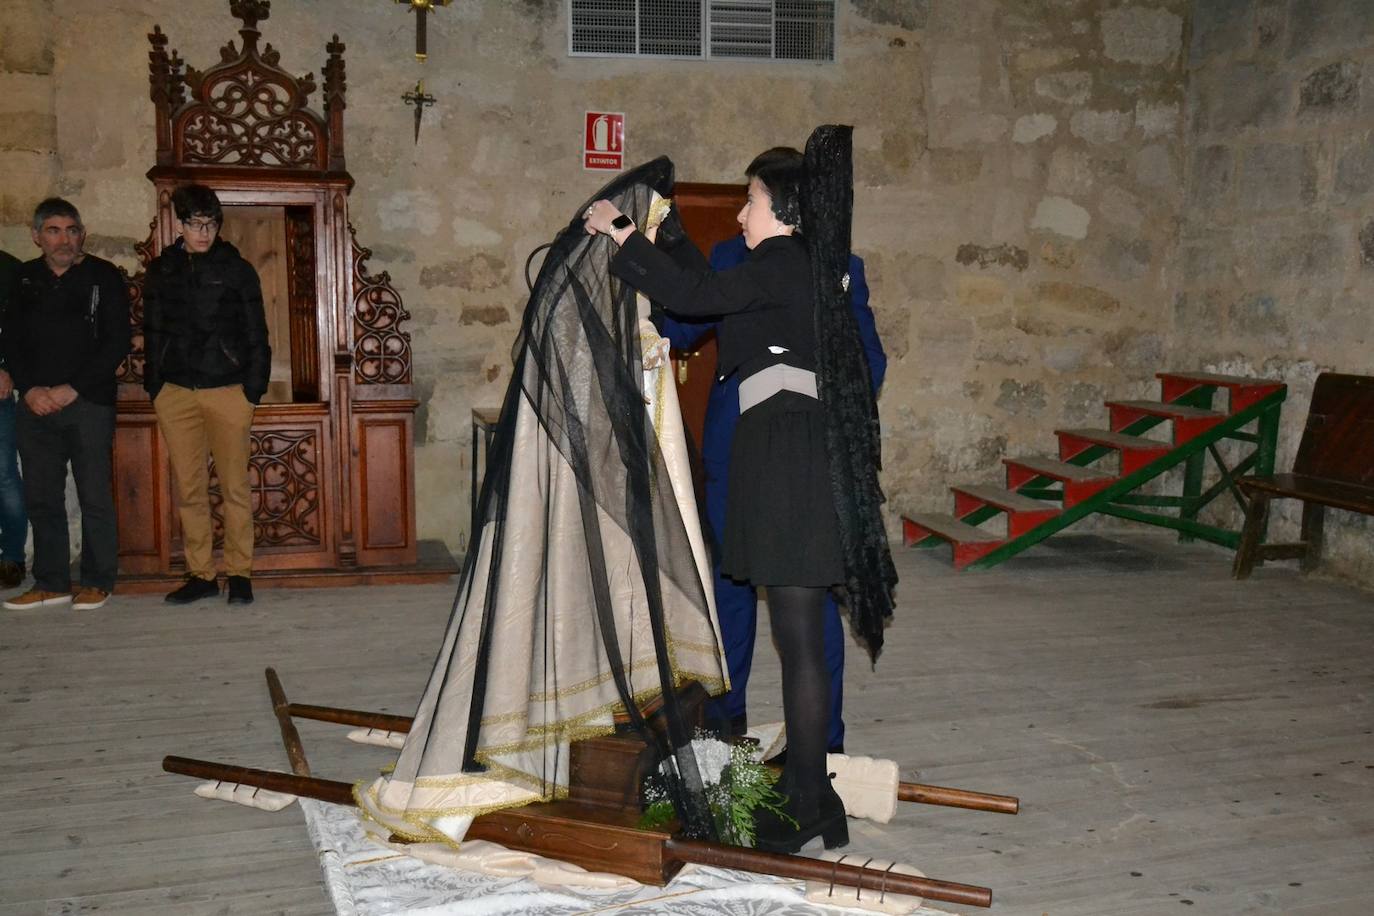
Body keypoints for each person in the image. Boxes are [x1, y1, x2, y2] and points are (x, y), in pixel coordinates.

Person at [357, 159, 727, 848]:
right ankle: (567, 695)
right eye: (655, 222)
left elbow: (682, 307)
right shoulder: (579, 287)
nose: (662, 233)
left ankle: (626, 678)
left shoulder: (624, 269)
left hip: (637, 454)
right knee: (574, 574)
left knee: (625, 576)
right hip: (600, 467)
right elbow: (586, 379)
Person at [586, 127, 897, 854]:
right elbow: (702, 298)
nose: (740, 214)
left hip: (789, 463)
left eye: (750, 201)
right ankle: (807, 794)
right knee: (795, 636)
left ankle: (811, 792)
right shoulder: (794, 263)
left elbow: (696, 295)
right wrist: (663, 239)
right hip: (777, 460)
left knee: (801, 640)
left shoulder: (786, 261)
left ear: (784, 209)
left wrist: (623, 231)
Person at [656, 150, 887, 753]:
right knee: (730, 590)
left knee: (808, 598)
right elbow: (683, 325)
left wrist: (811, 405)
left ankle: (821, 745)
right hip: (736, 450)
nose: (740, 215)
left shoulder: (840, 268)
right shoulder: (730, 256)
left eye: (750, 200)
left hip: (800, 453)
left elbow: (869, 361)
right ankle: (726, 724)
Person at [143, 184, 270, 606]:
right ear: (179, 224)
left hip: (228, 391)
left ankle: (239, 574)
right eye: (195, 224)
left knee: (234, 487)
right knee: (190, 488)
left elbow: (257, 335)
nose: (203, 232)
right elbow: (152, 329)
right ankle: (201, 574)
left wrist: (251, 390)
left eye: (211, 224)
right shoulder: (163, 269)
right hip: (176, 392)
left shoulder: (237, 269)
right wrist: (155, 385)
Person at [1, 198, 131, 612]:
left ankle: (97, 580)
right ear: (37, 236)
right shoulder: (23, 279)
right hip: (35, 405)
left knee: (94, 493)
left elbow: (116, 343)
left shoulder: (103, 277)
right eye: (54, 230)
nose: (64, 239)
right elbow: (11, 342)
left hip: (87, 402)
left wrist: (71, 389)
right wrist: (31, 389)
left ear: (82, 235)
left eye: (71, 230)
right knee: (42, 496)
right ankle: (52, 581)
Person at [0, 249, 29, 591]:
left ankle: (11, 556)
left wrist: (6, 367)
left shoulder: (9, 270)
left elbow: (19, 330)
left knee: (3, 475)